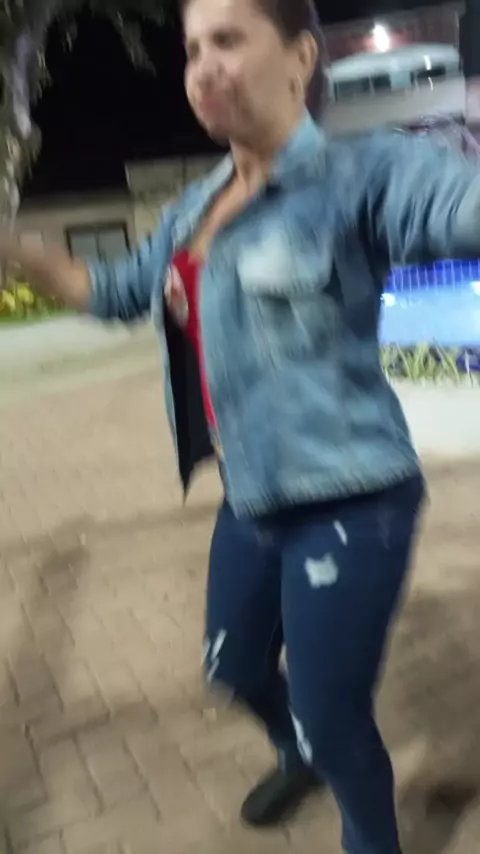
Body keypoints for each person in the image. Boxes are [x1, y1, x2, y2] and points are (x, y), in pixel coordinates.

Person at [1, 0, 480, 850]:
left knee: (336, 718)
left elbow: (459, 208)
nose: (204, 67)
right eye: (192, 50)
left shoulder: (363, 172)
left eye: (228, 40)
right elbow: (114, 292)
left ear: (300, 59)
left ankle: (369, 835)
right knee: (233, 667)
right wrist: (17, 248)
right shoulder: (193, 209)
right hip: (251, 493)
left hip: (352, 497)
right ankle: (297, 753)